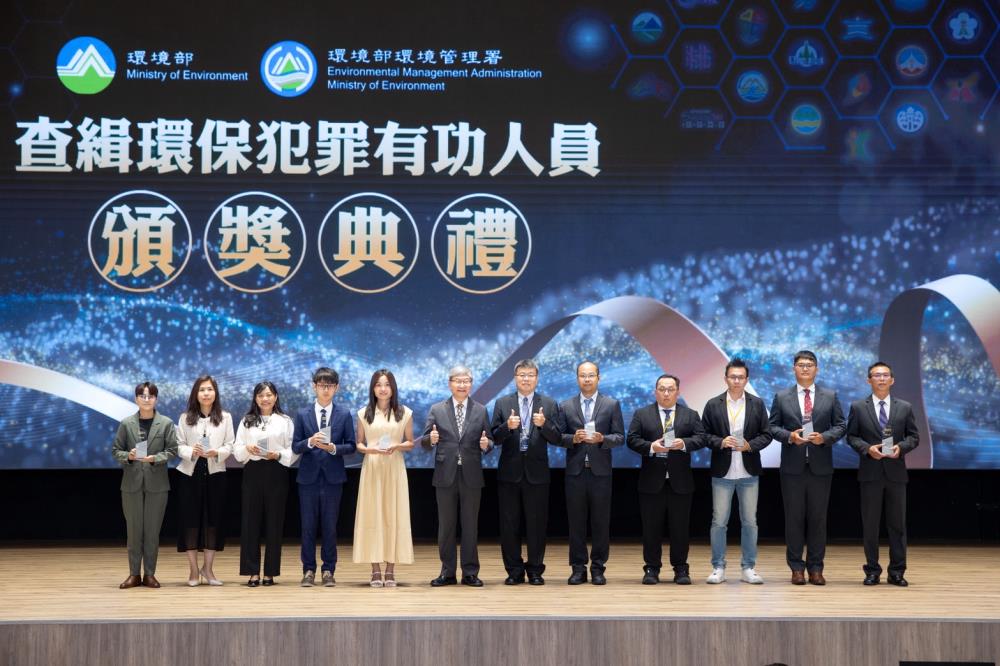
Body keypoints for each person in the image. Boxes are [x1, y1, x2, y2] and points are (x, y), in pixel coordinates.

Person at [769, 350, 847, 585]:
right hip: (792, 468)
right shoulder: (782, 397)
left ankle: (816, 568)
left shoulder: (830, 396)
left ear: (817, 369)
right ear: (794, 369)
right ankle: (796, 568)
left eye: (810, 364)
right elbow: (772, 427)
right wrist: (790, 436)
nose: (805, 368)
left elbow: (841, 425)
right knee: (793, 519)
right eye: (801, 364)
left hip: (820, 467)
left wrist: (824, 438)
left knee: (818, 519)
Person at [489, 359, 564, 585]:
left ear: (537, 378)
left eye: (530, 375)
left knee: (537, 525)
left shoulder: (549, 403)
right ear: (515, 378)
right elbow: (494, 438)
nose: (526, 379)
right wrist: (507, 427)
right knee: (509, 524)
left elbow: (558, 438)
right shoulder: (502, 403)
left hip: (537, 474)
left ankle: (535, 571)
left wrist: (544, 424)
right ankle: (514, 571)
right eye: (522, 375)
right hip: (509, 473)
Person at [626, 373, 705, 585]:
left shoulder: (690, 414)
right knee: (651, 528)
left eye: (671, 389)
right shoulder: (642, 414)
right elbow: (632, 440)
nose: (666, 393)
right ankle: (651, 568)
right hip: (651, 481)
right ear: (655, 392)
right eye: (662, 389)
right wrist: (651, 447)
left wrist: (684, 443)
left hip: (681, 482)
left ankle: (681, 569)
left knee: (680, 528)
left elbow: (701, 438)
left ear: (678, 392)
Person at [846, 361, 919, 587]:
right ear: (869, 380)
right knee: (870, 526)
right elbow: (851, 437)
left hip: (896, 473)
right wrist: (867, 449)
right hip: (870, 473)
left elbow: (914, 437)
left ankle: (897, 571)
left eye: (885, 375)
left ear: (892, 380)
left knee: (898, 526)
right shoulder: (858, 407)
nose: (881, 379)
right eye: (876, 375)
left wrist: (901, 448)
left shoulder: (904, 407)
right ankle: (872, 571)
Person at [700, 359, 772, 585]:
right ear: (726, 379)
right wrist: (721, 442)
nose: (737, 380)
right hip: (722, 472)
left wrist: (750, 445)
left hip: (749, 472)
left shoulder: (757, 404)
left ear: (747, 380)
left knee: (750, 522)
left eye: (741, 377)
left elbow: (767, 434)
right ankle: (718, 567)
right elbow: (703, 435)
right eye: (733, 377)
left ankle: (748, 567)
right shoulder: (713, 404)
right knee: (719, 522)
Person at [421, 365, 493, 587]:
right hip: (446, 475)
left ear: (471, 384)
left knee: (470, 526)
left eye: (466, 381)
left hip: (471, 474)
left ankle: (470, 572)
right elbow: (424, 442)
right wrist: (431, 440)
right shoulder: (437, 409)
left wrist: (487, 444)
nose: (462, 385)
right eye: (458, 381)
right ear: (450, 383)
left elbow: (489, 440)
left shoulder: (481, 410)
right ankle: (447, 572)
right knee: (446, 526)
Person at [559, 361, 625, 585]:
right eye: (582, 375)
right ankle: (578, 568)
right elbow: (558, 436)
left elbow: (620, 437)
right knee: (576, 523)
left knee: (600, 522)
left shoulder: (611, 404)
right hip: (575, 473)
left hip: (601, 473)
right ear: (577, 378)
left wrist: (602, 439)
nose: (587, 379)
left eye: (591, 375)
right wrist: (573, 438)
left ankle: (598, 568)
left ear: (599, 377)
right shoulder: (566, 405)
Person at [292, 367, 356, 588]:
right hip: (308, 479)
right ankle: (308, 570)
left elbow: (351, 446)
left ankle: (328, 570)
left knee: (330, 527)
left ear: (336, 388)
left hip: (333, 479)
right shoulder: (302, 414)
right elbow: (296, 446)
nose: (325, 389)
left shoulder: (344, 414)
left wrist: (333, 448)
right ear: (314, 387)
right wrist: (310, 442)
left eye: (329, 385)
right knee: (308, 527)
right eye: (321, 385)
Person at [111, 381, 178, 589]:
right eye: (142, 396)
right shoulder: (126, 423)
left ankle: (149, 574)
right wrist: (129, 456)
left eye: (150, 396)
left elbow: (172, 450)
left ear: (156, 399)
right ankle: (134, 574)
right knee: (133, 532)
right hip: (131, 484)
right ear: (136, 398)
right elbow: (116, 450)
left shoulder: (166, 423)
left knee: (152, 532)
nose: (146, 399)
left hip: (157, 484)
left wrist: (156, 458)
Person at [353, 369, 415, 588]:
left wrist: (397, 445)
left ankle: (390, 570)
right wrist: (370, 450)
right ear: (373, 388)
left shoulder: (404, 412)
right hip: (372, 468)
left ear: (393, 388)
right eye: (378, 384)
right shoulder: (363, 413)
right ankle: (375, 570)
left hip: (394, 467)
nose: (383, 388)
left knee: (393, 515)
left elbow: (410, 442)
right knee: (372, 515)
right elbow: (359, 444)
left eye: (387, 384)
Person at [234, 381, 297, 587]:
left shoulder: (285, 421)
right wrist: (247, 449)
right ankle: (252, 572)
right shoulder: (247, 420)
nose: (265, 399)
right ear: (255, 398)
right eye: (261, 395)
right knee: (250, 522)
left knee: (274, 523)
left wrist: (277, 454)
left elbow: (293, 449)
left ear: (276, 397)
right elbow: (237, 448)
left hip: (276, 471)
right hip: (252, 472)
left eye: (269, 395)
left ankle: (270, 572)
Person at [175, 375, 234, 586]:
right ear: (196, 394)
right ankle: (193, 571)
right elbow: (178, 445)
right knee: (190, 522)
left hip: (216, 474)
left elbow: (230, 444)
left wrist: (216, 452)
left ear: (215, 393)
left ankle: (208, 570)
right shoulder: (185, 417)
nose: (206, 393)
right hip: (189, 475)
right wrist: (192, 451)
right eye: (202, 390)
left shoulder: (225, 417)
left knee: (213, 522)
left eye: (209, 389)